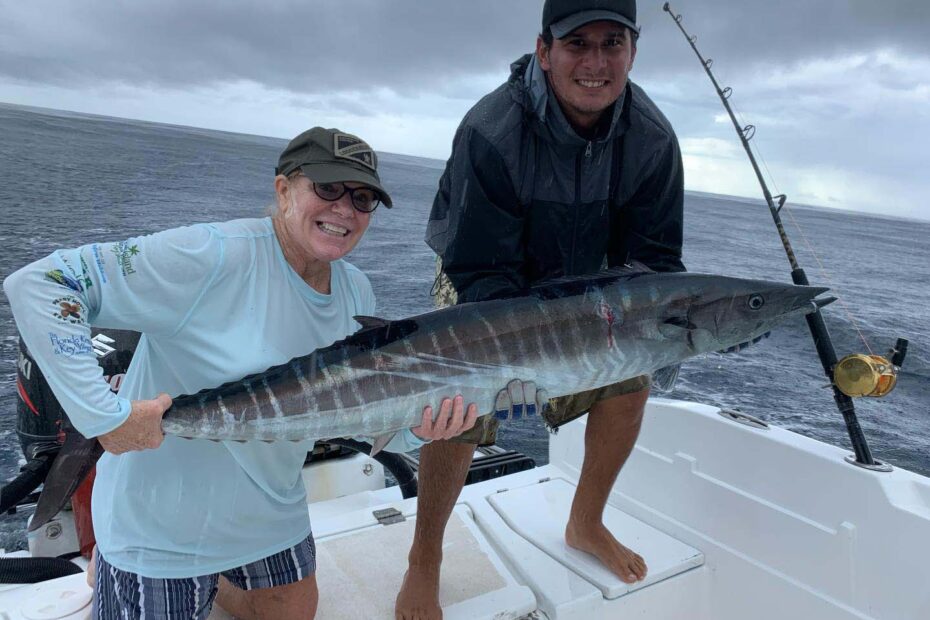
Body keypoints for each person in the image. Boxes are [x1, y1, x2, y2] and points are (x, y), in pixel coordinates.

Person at [3, 127, 480, 620]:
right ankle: (117, 558)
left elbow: (351, 412)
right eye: (327, 187)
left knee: (295, 612)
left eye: (362, 199)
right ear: (283, 189)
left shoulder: (355, 291)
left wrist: (416, 430)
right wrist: (103, 417)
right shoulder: (210, 255)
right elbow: (41, 282)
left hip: (270, 513)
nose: (344, 209)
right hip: (161, 526)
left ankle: (211, 581)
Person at [398, 1, 687, 617]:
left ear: (633, 52)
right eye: (577, 43)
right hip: (481, 274)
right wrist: (520, 368)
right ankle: (426, 554)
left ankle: (586, 521)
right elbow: (481, 270)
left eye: (613, 43)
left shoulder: (654, 140)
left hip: (584, 286)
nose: (596, 62)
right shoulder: (491, 130)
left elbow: (653, 267)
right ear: (544, 50)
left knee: (631, 381)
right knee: (460, 405)